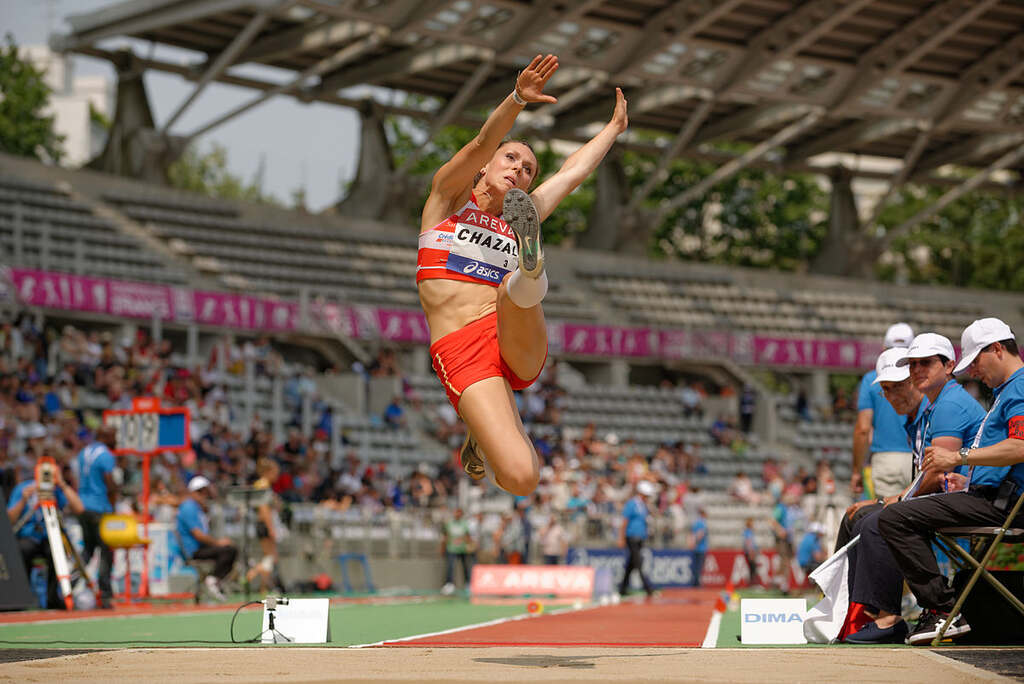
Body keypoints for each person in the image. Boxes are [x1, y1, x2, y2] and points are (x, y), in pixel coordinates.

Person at [417, 53, 628, 495]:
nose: (518, 168)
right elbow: (479, 141)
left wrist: (612, 130)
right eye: (510, 158)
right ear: (485, 169)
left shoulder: (523, 209)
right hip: (464, 351)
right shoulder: (447, 200)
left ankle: (530, 267)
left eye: (528, 169)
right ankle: (529, 272)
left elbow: (572, 174)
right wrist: (516, 98)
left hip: (513, 333)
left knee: (514, 291)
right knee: (522, 478)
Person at [880, 317, 1024, 645]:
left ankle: (944, 611)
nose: (972, 371)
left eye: (976, 361)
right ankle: (945, 609)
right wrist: (968, 478)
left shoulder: (1018, 386)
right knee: (897, 514)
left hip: (1006, 506)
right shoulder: (1007, 390)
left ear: (998, 349)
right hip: (993, 497)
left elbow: (1021, 446)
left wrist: (958, 459)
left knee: (894, 518)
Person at [6, 464, 84, 608]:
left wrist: (62, 484)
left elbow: (79, 508)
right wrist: (24, 500)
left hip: (49, 537)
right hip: (28, 537)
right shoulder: (23, 489)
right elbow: (9, 519)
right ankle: (21, 598)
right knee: (23, 549)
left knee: (57, 549)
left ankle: (53, 597)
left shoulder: (57, 490)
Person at [852, 323, 914, 499]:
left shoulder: (871, 379)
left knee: (888, 518)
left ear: (883, 348)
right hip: (919, 456)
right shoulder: (919, 378)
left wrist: (856, 470)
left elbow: (863, 429)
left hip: (886, 459)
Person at [73, 426, 118, 608]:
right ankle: (105, 595)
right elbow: (108, 481)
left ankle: (70, 583)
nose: (116, 440)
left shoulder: (83, 452)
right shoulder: (106, 455)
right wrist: (113, 505)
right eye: (113, 436)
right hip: (100, 507)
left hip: (83, 506)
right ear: (104, 436)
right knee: (106, 551)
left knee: (88, 550)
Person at [177, 475, 238, 601]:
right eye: (200, 492)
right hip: (194, 551)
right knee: (228, 550)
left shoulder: (197, 507)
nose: (204, 495)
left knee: (229, 548)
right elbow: (198, 535)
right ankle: (212, 580)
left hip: (200, 547)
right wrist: (218, 543)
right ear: (193, 492)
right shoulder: (189, 507)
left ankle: (213, 581)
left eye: (205, 491)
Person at [244, 459, 284, 594]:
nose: (277, 475)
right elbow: (264, 509)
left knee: (270, 557)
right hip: (264, 523)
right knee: (270, 557)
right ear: (268, 472)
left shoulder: (261, 485)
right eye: (275, 473)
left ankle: (264, 587)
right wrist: (271, 527)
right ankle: (250, 575)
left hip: (263, 523)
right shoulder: (263, 485)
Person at [618, 480, 655, 597]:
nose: (647, 498)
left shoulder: (644, 506)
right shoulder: (631, 504)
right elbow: (624, 521)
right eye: (646, 496)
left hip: (640, 538)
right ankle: (648, 588)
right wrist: (621, 538)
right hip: (631, 537)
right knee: (639, 563)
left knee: (631, 564)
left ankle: (622, 588)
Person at [441, 507, 474, 595]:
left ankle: (468, 585)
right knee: (450, 567)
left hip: (462, 549)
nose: (457, 514)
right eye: (456, 512)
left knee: (465, 568)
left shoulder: (464, 523)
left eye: (459, 513)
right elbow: (446, 536)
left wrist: (469, 544)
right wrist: (442, 548)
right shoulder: (449, 523)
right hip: (451, 549)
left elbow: (467, 536)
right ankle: (449, 584)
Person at [691, 507, 709, 587]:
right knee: (699, 566)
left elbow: (692, 534)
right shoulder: (702, 523)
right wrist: (696, 542)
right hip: (701, 548)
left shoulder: (695, 523)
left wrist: (692, 543)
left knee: (695, 565)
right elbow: (701, 534)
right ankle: (697, 583)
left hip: (695, 548)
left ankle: (695, 581)